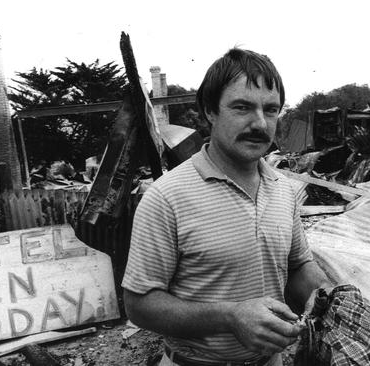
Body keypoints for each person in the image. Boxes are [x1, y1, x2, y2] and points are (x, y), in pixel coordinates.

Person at [122, 48, 332, 366]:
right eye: (242, 107)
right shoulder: (167, 197)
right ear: (210, 110)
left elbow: (298, 267)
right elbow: (138, 304)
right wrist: (230, 316)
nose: (260, 123)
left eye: (271, 110)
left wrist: (329, 296)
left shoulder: (283, 190)